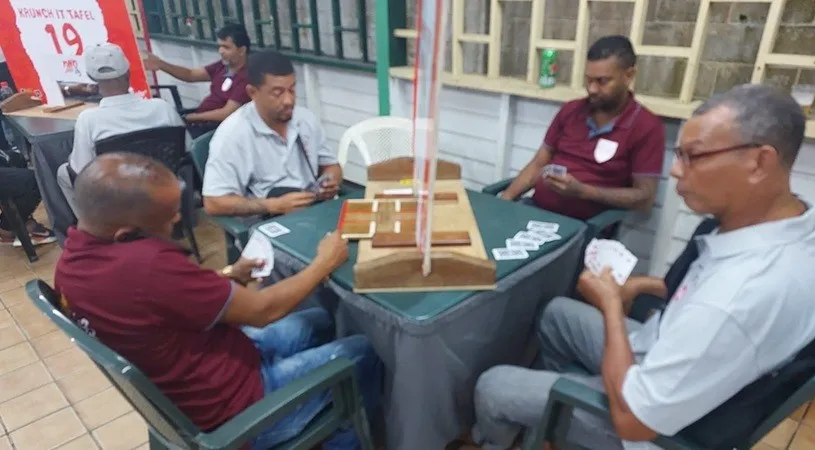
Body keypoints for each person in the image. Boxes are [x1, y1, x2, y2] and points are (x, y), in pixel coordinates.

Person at [470, 84, 815, 449]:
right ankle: (551, 426)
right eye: (679, 154)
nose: (676, 171)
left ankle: (534, 424)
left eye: (694, 156)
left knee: (493, 386)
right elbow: (700, 297)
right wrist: (640, 285)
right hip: (659, 351)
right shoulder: (791, 225)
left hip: (646, 428)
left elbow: (633, 423)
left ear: (759, 162)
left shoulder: (738, 297)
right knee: (556, 314)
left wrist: (611, 306)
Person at [54, 152, 381, 449]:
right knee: (362, 350)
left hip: (206, 372)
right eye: (168, 218)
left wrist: (227, 275)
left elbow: (157, 301)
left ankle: (326, 409)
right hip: (238, 414)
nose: (178, 220)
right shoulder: (148, 266)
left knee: (320, 320)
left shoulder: (70, 267)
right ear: (126, 235)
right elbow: (262, 311)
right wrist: (324, 262)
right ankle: (346, 436)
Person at [501, 35, 665, 221]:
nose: (592, 89)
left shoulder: (646, 126)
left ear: (629, 76)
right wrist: (504, 200)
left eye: (602, 81)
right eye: (588, 80)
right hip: (536, 209)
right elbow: (539, 164)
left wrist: (584, 191)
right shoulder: (571, 111)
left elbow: (644, 197)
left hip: (584, 225)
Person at [202, 50, 341, 218]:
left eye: (292, 90)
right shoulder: (233, 135)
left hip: (311, 209)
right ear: (253, 93)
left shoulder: (305, 119)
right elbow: (213, 202)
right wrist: (273, 205)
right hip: (266, 220)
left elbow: (332, 166)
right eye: (278, 93)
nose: (288, 100)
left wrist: (329, 182)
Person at [56, 43, 190, 215]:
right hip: (161, 187)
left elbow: (81, 169)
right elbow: (187, 148)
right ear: (128, 72)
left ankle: (92, 227)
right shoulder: (162, 107)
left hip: (117, 197)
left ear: (91, 78)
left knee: (64, 172)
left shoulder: (88, 119)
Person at [142, 23, 251, 136]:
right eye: (220, 46)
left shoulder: (247, 77)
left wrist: (192, 117)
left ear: (241, 50)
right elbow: (191, 75)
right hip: (200, 122)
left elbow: (226, 113)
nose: (221, 51)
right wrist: (161, 64)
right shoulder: (222, 66)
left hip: (216, 130)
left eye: (226, 47)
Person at [0, 167, 56, 246]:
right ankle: (23, 227)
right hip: (31, 182)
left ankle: (24, 228)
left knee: (6, 231)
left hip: (28, 187)